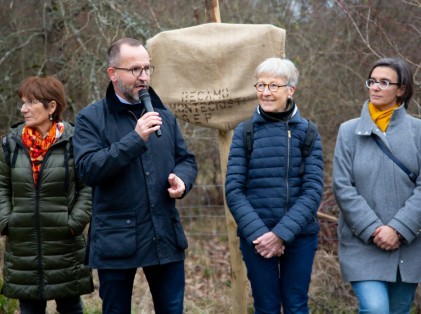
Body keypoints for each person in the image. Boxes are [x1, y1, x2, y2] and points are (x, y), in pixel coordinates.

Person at [72, 37, 198, 314]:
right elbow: (88, 170)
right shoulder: (90, 118)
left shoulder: (163, 114)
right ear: (113, 73)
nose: (143, 77)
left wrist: (182, 179)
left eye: (147, 68)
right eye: (135, 70)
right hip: (116, 239)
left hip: (164, 234)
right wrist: (135, 139)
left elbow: (186, 160)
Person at [225, 57, 324, 314]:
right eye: (261, 85)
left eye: (273, 86)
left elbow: (313, 190)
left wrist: (281, 234)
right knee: (266, 306)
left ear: (290, 89)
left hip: (300, 236)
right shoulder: (244, 132)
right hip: (256, 237)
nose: (265, 92)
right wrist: (262, 235)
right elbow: (234, 190)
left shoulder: (308, 132)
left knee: (296, 304)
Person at [333, 57, 420, 313]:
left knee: (398, 310)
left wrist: (399, 229)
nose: (375, 87)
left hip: (408, 244)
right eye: (372, 81)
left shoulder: (418, 131)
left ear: (401, 89)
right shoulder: (348, 132)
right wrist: (374, 229)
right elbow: (342, 187)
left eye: (384, 82)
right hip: (362, 243)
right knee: (375, 309)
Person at [0, 76, 93, 314]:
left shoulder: (74, 141)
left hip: (65, 243)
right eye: (23, 102)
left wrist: (74, 222)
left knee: (71, 307)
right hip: (23, 246)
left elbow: (88, 185)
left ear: (52, 107)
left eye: (31, 102)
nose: (24, 109)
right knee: (29, 308)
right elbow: (2, 186)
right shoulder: (10, 144)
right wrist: (7, 221)